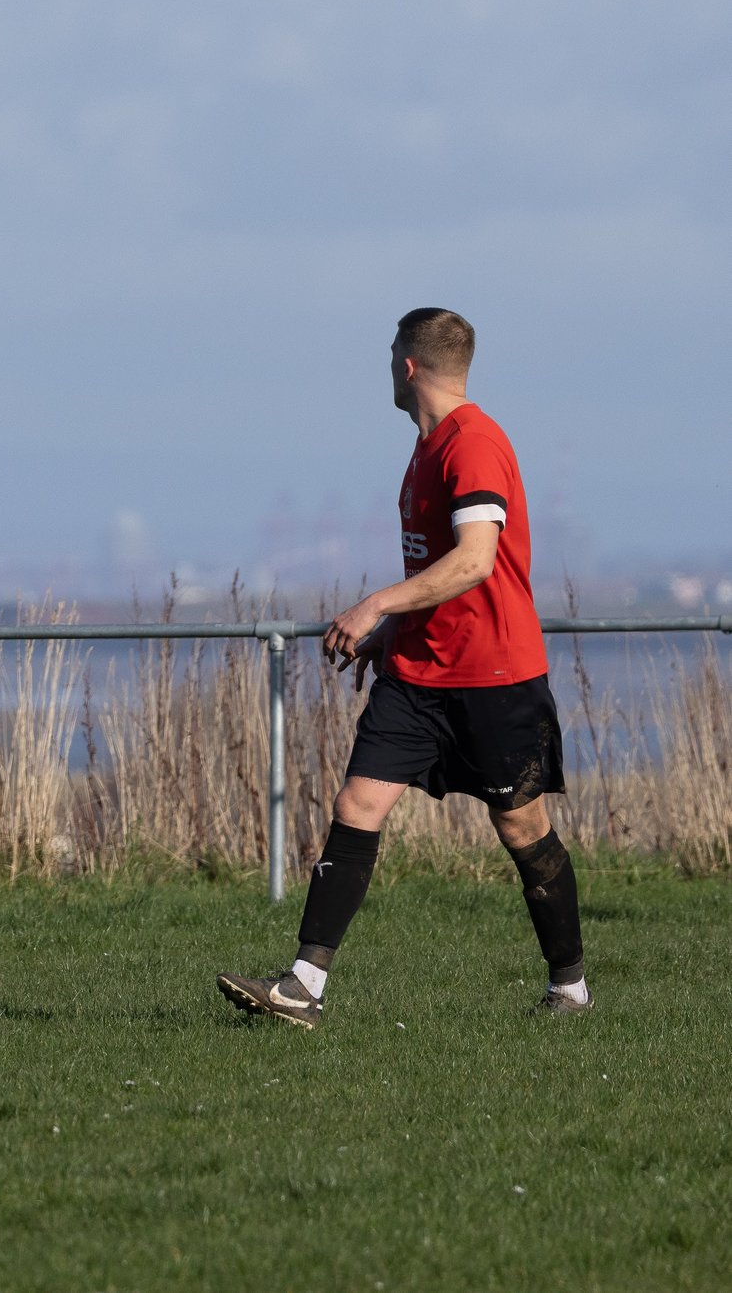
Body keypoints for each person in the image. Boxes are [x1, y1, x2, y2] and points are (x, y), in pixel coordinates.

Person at [220, 308, 586, 1028]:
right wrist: (395, 632)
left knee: (524, 831)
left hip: (495, 681)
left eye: (391, 353)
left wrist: (374, 603)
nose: (387, 365)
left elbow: (476, 561)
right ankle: (302, 986)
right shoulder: (427, 448)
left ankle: (570, 987)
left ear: (409, 366)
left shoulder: (474, 443)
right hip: (419, 677)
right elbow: (441, 572)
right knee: (356, 807)